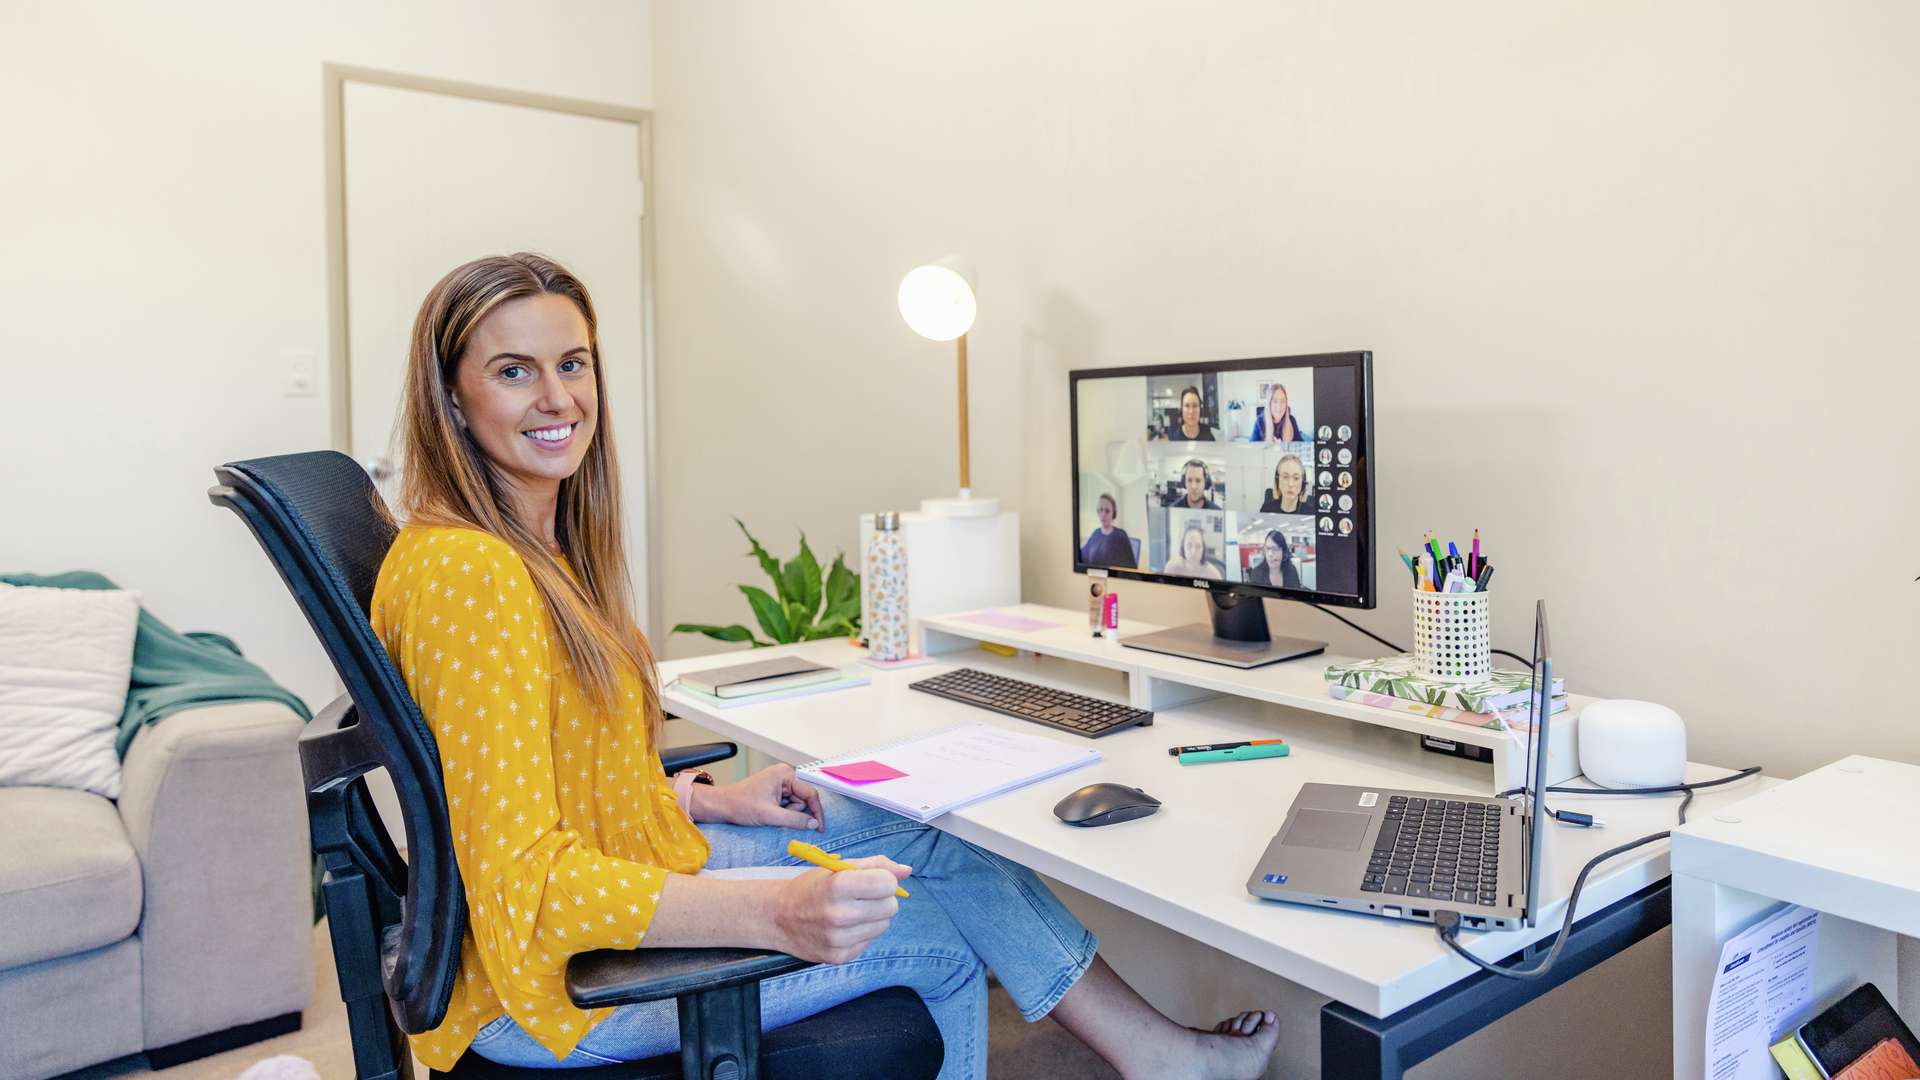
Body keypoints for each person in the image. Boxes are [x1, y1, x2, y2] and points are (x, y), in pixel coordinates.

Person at [370, 254, 1279, 1079]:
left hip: (606, 887)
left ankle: (1160, 1058)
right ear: (452, 399)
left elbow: (535, 782)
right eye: (513, 371)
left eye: (572, 364)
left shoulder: (530, 546)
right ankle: (1158, 1057)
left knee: (929, 828)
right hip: (544, 992)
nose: (558, 398)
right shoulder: (471, 574)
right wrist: (776, 912)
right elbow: (524, 884)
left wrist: (709, 800)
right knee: (938, 931)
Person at [1079, 493, 1137, 568]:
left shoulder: (1121, 535)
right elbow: (1083, 555)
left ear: (1113, 513)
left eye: (1107, 511)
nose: (1103, 514)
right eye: (1100, 510)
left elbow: (1131, 568)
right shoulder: (1096, 533)